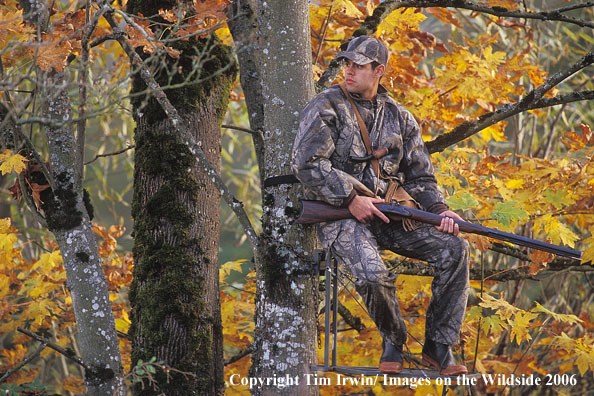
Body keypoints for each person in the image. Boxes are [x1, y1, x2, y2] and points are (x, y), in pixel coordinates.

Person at [291, 36, 470, 376]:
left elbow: (421, 177)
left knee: (456, 248)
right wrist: (349, 198)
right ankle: (394, 339)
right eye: (348, 64)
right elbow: (306, 164)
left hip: (391, 215)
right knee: (372, 275)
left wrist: (440, 210)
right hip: (344, 216)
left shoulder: (401, 118)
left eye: (358, 65)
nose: (349, 71)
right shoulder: (326, 106)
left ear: (379, 71)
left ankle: (438, 348)